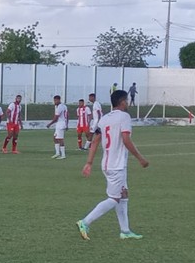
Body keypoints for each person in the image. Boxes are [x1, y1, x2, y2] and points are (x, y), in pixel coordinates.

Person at [76, 89, 150, 241]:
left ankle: (125, 231)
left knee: (123, 195)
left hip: (108, 164)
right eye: (127, 100)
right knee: (114, 198)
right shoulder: (124, 116)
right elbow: (126, 139)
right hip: (116, 165)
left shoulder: (104, 119)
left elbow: (95, 141)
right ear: (122, 102)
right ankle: (85, 222)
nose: (128, 103)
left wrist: (89, 162)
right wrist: (140, 158)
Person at [46, 95, 68, 159]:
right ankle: (57, 153)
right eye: (54, 100)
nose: (54, 102)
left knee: (60, 139)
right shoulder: (64, 106)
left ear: (58, 100)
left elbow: (56, 118)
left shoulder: (59, 107)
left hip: (60, 124)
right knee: (55, 138)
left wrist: (49, 124)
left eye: (55, 100)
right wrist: (67, 124)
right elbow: (67, 116)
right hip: (61, 123)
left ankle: (63, 155)